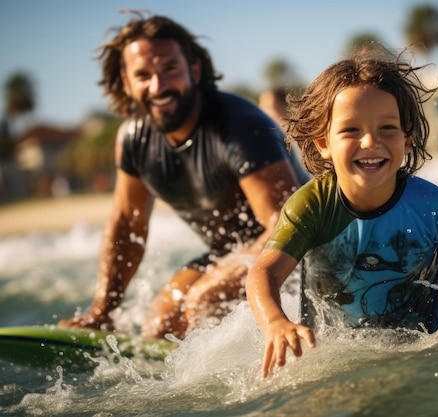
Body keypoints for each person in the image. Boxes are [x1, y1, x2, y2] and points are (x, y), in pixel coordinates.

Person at [245, 46, 438, 378]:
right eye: (351, 130)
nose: (370, 142)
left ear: (408, 135)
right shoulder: (312, 206)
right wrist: (275, 322)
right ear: (322, 142)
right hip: (331, 364)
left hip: (422, 359)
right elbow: (263, 274)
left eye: (387, 128)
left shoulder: (430, 206)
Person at [58, 11, 305, 339]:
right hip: (229, 252)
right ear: (127, 80)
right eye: (143, 74)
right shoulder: (134, 139)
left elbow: (285, 225)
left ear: (194, 69)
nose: (158, 86)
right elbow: (128, 224)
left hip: (303, 249)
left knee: (202, 301)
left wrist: (212, 287)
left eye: (169, 69)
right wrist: (103, 309)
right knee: (159, 327)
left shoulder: (239, 126)